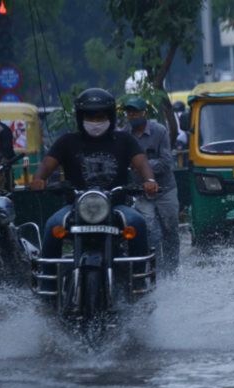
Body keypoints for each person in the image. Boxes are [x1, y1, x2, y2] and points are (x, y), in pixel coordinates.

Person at [30, 88, 158, 289]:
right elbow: (45, 167)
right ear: (81, 117)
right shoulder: (67, 141)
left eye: (100, 116)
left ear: (110, 117)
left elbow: (142, 163)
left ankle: (139, 283)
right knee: (52, 226)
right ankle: (48, 288)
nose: (95, 121)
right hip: (75, 206)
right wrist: (39, 179)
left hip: (116, 206)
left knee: (138, 222)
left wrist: (149, 180)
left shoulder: (124, 140)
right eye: (90, 116)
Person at [122, 96, 180, 277]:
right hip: (141, 193)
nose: (131, 114)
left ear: (144, 113)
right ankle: (156, 270)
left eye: (135, 111)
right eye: (128, 111)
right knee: (149, 231)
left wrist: (140, 167)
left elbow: (165, 162)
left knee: (170, 230)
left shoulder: (159, 131)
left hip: (165, 190)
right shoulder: (124, 134)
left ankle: (172, 271)